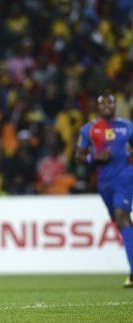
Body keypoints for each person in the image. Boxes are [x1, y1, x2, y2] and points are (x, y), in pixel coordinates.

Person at [75, 94, 133, 287]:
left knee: (121, 215)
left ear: (115, 105)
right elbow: (79, 156)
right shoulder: (89, 129)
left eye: (111, 102)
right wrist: (94, 157)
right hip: (104, 183)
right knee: (120, 221)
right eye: (103, 103)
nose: (108, 105)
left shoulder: (127, 126)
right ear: (97, 106)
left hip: (125, 177)